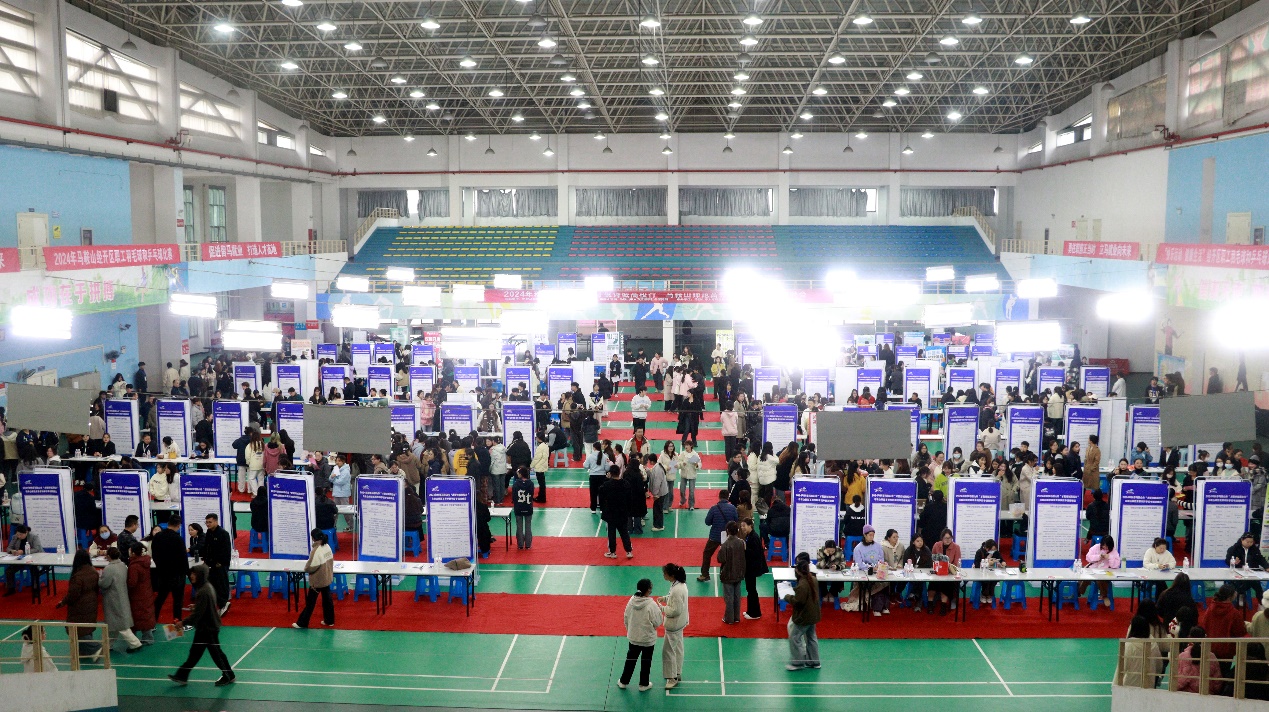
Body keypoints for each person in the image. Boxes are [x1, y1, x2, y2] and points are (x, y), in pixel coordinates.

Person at [167, 563, 235, 687]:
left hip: (207, 628)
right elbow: (206, 606)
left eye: (194, 574)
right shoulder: (207, 587)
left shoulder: (203, 591)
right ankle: (182, 675)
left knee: (215, 654)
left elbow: (198, 614)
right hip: (207, 626)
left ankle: (228, 675)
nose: (191, 576)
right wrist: (196, 606)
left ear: (200, 575)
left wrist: (182, 623)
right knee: (197, 653)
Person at [618, 578, 665, 692]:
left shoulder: (631, 601)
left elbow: (626, 617)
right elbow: (658, 621)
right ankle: (644, 684)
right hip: (648, 640)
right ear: (648, 590)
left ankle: (623, 681)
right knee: (646, 661)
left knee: (630, 660)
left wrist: (630, 631)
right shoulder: (651, 604)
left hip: (634, 638)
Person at [57, 550, 102, 660]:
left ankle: (95, 648)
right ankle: (85, 651)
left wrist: (63, 602)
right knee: (87, 627)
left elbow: (72, 595)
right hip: (92, 604)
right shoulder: (94, 571)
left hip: (79, 607)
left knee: (77, 630)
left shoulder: (78, 576)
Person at [99, 547, 143, 653]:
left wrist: (99, 578)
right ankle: (108, 645)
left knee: (121, 625)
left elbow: (104, 584)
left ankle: (135, 644)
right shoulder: (123, 566)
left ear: (108, 556)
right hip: (122, 595)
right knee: (113, 624)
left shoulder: (109, 569)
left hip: (112, 598)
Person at [1201, 584, 1247, 683]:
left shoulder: (1210, 609)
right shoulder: (1234, 613)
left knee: (1210, 677)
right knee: (1224, 676)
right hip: (1226, 651)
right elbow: (1240, 632)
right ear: (1230, 597)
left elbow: (1204, 626)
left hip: (1210, 648)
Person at [783, 556, 821, 671]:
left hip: (804, 616)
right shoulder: (813, 579)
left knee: (795, 637)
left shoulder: (803, 584)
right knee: (811, 637)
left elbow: (798, 601)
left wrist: (787, 596)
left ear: (798, 571)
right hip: (814, 614)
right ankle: (814, 661)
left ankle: (798, 663)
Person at [293, 529, 335, 629]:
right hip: (327, 577)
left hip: (318, 580)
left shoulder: (316, 550)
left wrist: (306, 568)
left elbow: (311, 567)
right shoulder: (327, 546)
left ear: (313, 538)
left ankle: (302, 623)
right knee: (327, 601)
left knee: (310, 603)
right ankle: (329, 620)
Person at [152, 516, 190, 623]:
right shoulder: (178, 539)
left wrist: (159, 566)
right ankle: (177, 624)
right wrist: (187, 573)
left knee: (160, 599)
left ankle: (152, 622)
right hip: (177, 574)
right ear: (178, 525)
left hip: (162, 573)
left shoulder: (157, 536)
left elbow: (154, 554)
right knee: (178, 601)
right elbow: (183, 558)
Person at [658, 563, 689, 690]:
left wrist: (662, 608)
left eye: (665, 573)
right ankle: (677, 672)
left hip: (674, 624)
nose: (663, 575)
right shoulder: (680, 584)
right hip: (680, 623)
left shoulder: (677, 589)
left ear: (671, 575)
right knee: (678, 648)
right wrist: (665, 598)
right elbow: (675, 599)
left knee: (668, 651)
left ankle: (672, 678)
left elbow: (675, 610)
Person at [699, 490, 738, 581]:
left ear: (719, 497)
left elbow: (707, 522)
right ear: (728, 497)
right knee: (727, 555)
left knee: (707, 554)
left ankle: (705, 574)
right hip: (728, 536)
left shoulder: (714, 508)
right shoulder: (733, 508)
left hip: (715, 536)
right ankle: (724, 574)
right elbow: (736, 521)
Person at [1118, 614, 1162, 688]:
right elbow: (1159, 666)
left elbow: (1121, 668)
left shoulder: (1129, 645)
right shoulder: (1153, 644)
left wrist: (1115, 687)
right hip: (1149, 686)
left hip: (1130, 686)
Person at [1225, 532, 1268, 604]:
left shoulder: (1254, 549)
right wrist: (1233, 562)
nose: (1249, 544)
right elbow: (1227, 560)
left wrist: (1267, 567)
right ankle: (1240, 596)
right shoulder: (1233, 549)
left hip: (1252, 573)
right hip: (1238, 572)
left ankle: (1262, 604)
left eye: (1251, 542)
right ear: (1242, 540)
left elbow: (1260, 559)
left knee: (1258, 587)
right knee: (1240, 584)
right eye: (1247, 542)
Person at [126, 542, 156, 645]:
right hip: (146, 591)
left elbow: (132, 583)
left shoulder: (134, 566)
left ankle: (137, 639)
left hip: (137, 594)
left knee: (137, 615)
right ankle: (148, 637)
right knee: (145, 615)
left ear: (133, 552)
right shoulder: (145, 561)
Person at [1175, 627, 1220, 694]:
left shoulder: (1183, 656)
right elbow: (1217, 682)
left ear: (1189, 637)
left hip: (1187, 694)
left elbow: (1179, 682)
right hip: (1207, 693)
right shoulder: (1212, 656)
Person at [600, 466, 633, 559]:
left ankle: (612, 552)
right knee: (624, 532)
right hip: (623, 512)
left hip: (610, 513)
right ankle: (629, 551)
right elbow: (630, 499)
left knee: (611, 533)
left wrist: (606, 479)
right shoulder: (626, 484)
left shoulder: (606, 485)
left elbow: (601, 496)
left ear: (610, 473)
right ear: (619, 472)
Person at [203, 513, 233, 615]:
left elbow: (226, 551)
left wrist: (221, 563)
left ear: (216, 521)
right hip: (210, 564)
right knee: (212, 584)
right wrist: (206, 560)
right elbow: (207, 547)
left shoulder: (223, 534)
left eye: (210, 522)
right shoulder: (208, 533)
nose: (208, 524)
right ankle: (218, 604)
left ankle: (223, 604)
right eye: (206, 522)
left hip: (220, 564)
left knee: (221, 585)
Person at [718, 521, 746, 624]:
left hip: (728, 574)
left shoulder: (725, 544)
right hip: (739, 573)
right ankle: (736, 617)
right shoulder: (742, 542)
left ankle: (729, 619)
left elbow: (720, 559)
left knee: (729, 597)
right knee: (737, 596)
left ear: (727, 531)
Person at [1081, 535, 1121, 606]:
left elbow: (1115, 565)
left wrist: (1110, 558)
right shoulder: (1096, 547)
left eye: (1107, 546)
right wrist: (1098, 557)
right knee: (1084, 578)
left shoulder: (1113, 551)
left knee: (1101, 579)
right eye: (1103, 545)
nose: (1105, 547)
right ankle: (1078, 592)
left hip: (1105, 573)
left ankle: (1104, 596)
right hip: (1093, 570)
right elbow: (1088, 557)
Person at [930, 529, 961, 615]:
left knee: (946, 583)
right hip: (938, 572)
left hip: (949, 572)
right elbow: (932, 559)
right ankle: (930, 604)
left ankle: (943, 606)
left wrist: (947, 568)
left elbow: (956, 563)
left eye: (949, 538)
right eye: (945, 538)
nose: (947, 540)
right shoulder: (936, 545)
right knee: (932, 583)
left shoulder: (956, 547)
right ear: (942, 538)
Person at [3, 525, 41, 595]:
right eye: (17, 534)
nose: (19, 536)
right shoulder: (15, 537)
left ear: (26, 532)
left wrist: (23, 551)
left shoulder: (34, 536)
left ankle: (36, 589)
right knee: (9, 570)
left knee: (34, 570)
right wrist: (12, 551)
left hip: (32, 559)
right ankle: (11, 589)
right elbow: (8, 548)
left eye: (21, 534)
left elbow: (37, 549)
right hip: (19, 560)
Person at [901, 534, 934, 611]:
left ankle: (914, 595)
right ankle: (917, 600)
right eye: (917, 541)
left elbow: (929, 563)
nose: (920, 543)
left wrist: (919, 567)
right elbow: (905, 563)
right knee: (915, 581)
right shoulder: (909, 550)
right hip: (911, 572)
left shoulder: (926, 550)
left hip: (923, 573)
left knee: (920, 581)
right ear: (913, 542)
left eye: (921, 541)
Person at [972, 539, 1003, 605]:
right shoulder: (979, 552)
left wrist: (1003, 563)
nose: (993, 551)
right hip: (981, 572)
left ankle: (989, 594)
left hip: (992, 572)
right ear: (987, 548)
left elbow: (1001, 559)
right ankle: (984, 594)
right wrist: (987, 563)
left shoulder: (996, 553)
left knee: (994, 580)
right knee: (986, 580)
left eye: (994, 549)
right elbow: (976, 564)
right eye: (992, 549)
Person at [512, 466, 535, 550]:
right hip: (528, 507)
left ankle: (520, 545)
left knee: (519, 526)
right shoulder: (531, 483)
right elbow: (532, 494)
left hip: (518, 507)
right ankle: (528, 544)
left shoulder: (516, 484)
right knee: (528, 526)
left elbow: (514, 496)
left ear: (521, 474)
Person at [647, 453, 670, 531]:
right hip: (660, 492)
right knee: (657, 508)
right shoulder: (656, 467)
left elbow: (657, 483)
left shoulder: (657, 469)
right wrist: (647, 470)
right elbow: (652, 475)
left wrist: (655, 494)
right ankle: (658, 524)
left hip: (660, 493)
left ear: (651, 461)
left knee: (658, 509)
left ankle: (658, 526)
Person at [677, 441, 701, 510]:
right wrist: (682, 464)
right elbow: (678, 462)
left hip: (692, 475)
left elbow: (699, 464)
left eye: (687, 445)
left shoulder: (695, 454)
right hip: (684, 474)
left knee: (691, 492)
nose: (686, 447)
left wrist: (696, 465)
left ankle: (691, 505)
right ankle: (683, 500)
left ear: (691, 446)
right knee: (682, 490)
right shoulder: (682, 454)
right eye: (685, 445)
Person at [332, 455, 353, 531]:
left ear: (343, 462)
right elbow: (330, 478)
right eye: (336, 461)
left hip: (344, 494)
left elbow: (341, 482)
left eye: (339, 461)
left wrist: (334, 479)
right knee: (334, 511)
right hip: (336, 493)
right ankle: (333, 525)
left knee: (346, 512)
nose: (337, 462)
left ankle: (351, 526)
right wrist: (333, 478)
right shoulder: (335, 469)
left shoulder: (346, 471)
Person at [585, 442, 608, 513]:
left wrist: (591, 467)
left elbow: (585, 466)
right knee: (602, 493)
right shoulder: (605, 456)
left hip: (593, 477)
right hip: (602, 477)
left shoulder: (590, 456)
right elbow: (607, 468)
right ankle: (602, 508)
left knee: (593, 493)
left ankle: (593, 509)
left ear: (594, 448)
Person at [531, 432, 550, 503]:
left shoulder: (540, 447)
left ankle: (541, 498)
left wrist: (531, 465)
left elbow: (537, 458)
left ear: (538, 438)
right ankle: (541, 497)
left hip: (539, 467)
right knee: (542, 483)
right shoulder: (546, 445)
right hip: (543, 466)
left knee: (541, 484)